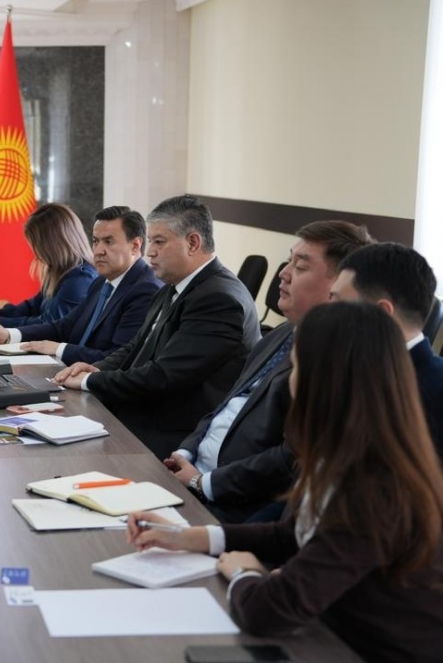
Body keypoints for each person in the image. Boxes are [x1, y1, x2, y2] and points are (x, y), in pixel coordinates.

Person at [127, 302, 443, 662]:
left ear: (322, 380)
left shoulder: (374, 488)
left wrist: (244, 572)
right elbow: (292, 534)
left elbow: (268, 611)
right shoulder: (347, 451)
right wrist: (193, 537)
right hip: (332, 634)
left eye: (296, 364)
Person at [166, 221, 373, 522]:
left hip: (235, 506)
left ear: (338, 285)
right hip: (192, 476)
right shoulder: (279, 334)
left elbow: (291, 457)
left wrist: (203, 482)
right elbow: (225, 406)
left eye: (300, 267)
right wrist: (186, 453)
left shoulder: (338, 360)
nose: (283, 273)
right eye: (288, 261)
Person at [54, 195, 260, 459]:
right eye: (150, 241)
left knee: (67, 453)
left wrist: (90, 381)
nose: (149, 251)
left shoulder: (218, 299)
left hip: (174, 433)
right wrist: (97, 368)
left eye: (159, 242)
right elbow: (136, 346)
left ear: (193, 243)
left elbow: (165, 376)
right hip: (145, 412)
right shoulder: (174, 286)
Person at [0, 207, 161, 364]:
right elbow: (63, 326)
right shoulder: (101, 283)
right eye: (95, 241)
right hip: (72, 372)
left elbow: (117, 359)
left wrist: (58, 349)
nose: (98, 250)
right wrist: (9, 334)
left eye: (108, 241)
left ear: (135, 246)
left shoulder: (144, 290)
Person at [331, 242, 443, 454]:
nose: (326, 314)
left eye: (337, 303)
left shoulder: (433, 395)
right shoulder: (353, 368)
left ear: (381, 313)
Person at [0, 203, 98, 329]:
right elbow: (34, 306)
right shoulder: (60, 271)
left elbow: (49, 324)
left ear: (52, 246)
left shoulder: (80, 279)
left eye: (37, 246)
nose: (36, 253)